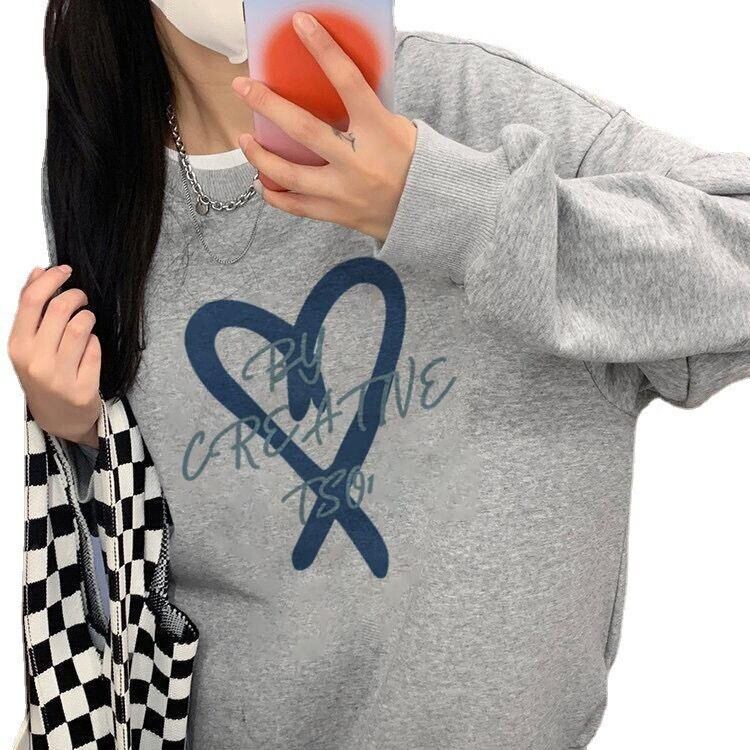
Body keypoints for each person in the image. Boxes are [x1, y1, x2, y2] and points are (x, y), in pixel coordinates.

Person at [8, 1, 749, 748]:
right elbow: (136, 593)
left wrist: (445, 204)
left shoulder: (470, 108)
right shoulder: (105, 170)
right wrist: (82, 438)